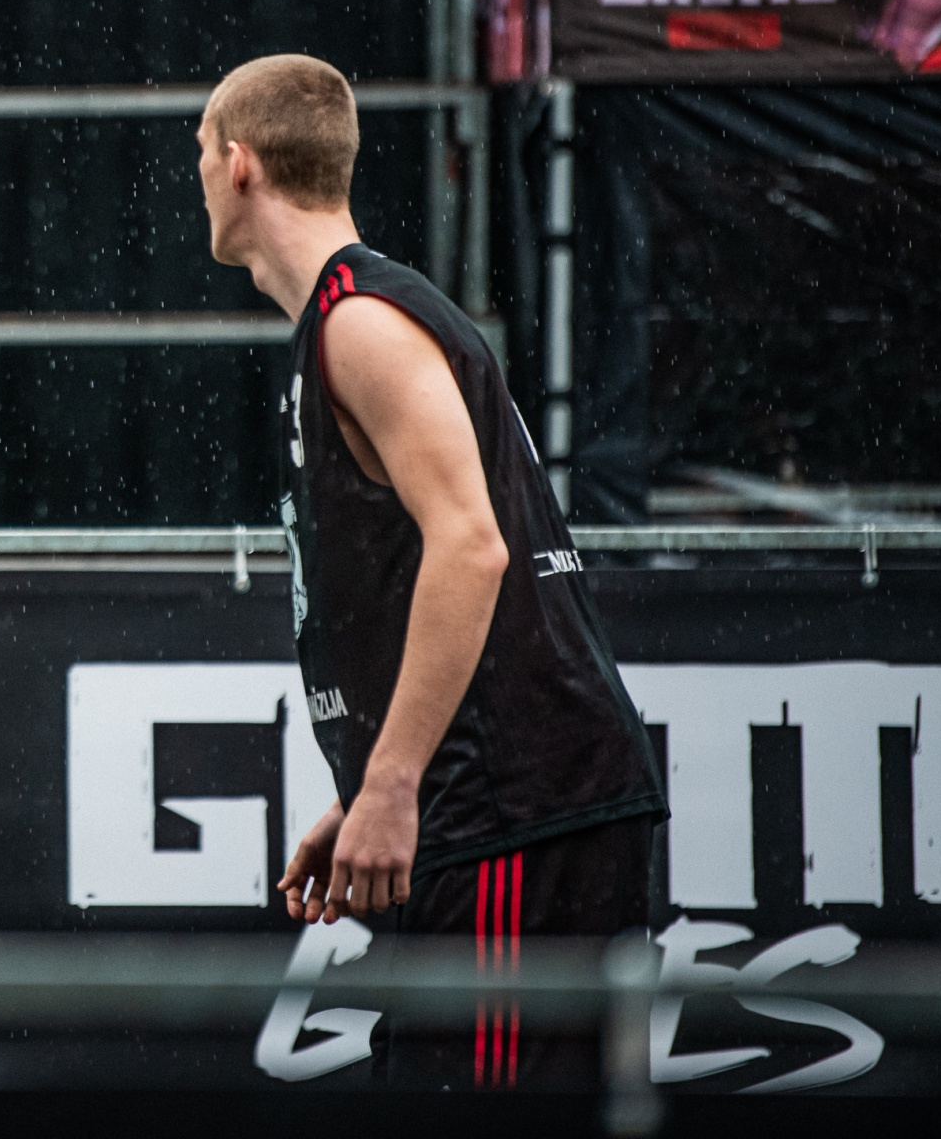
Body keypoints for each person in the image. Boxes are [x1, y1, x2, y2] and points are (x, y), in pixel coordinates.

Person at [194, 54, 665, 1087]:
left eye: (199, 153)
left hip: (516, 808)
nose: (200, 178)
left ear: (239, 164)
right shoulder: (356, 316)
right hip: (509, 805)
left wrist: (394, 779)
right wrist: (372, 777)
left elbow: (472, 545)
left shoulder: (360, 322)